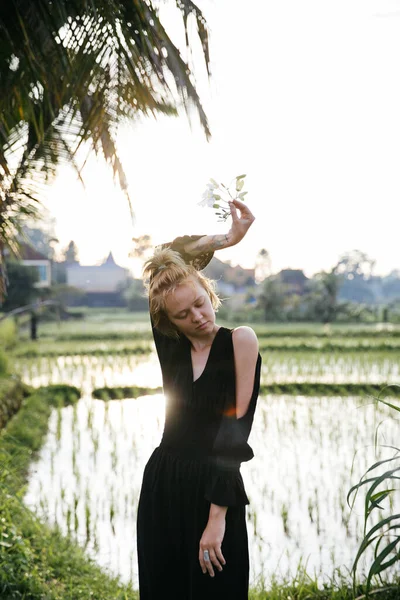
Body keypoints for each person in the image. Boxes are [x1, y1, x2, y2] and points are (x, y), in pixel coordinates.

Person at [137, 199, 262, 599]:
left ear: (208, 291)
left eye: (199, 302)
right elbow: (168, 251)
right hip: (162, 485)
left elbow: (234, 433)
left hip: (213, 489)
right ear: (167, 323)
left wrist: (217, 516)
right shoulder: (172, 347)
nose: (198, 316)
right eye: (183, 314)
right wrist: (218, 239)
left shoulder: (240, 341)